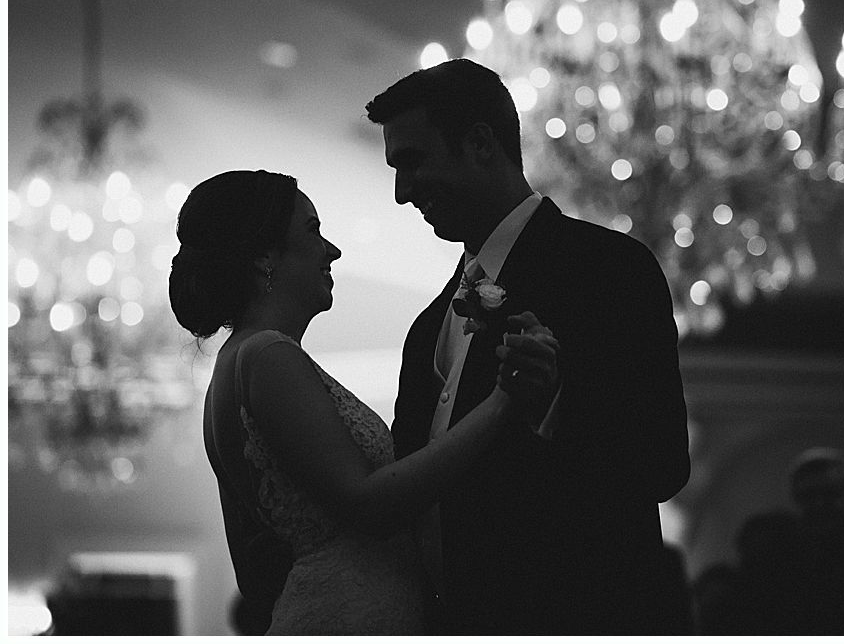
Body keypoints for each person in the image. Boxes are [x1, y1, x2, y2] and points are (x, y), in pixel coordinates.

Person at [365, 58, 690, 634]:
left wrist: (556, 403)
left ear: (481, 143)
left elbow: (661, 464)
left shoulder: (609, 270)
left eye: (412, 162)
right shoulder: (427, 329)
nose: (401, 192)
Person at [168, 169, 559, 634]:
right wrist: (502, 402)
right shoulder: (266, 356)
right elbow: (371, 504)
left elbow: (254, 560)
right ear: (264, 258)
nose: (331, 250)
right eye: (313, 231)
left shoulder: (237, 364)